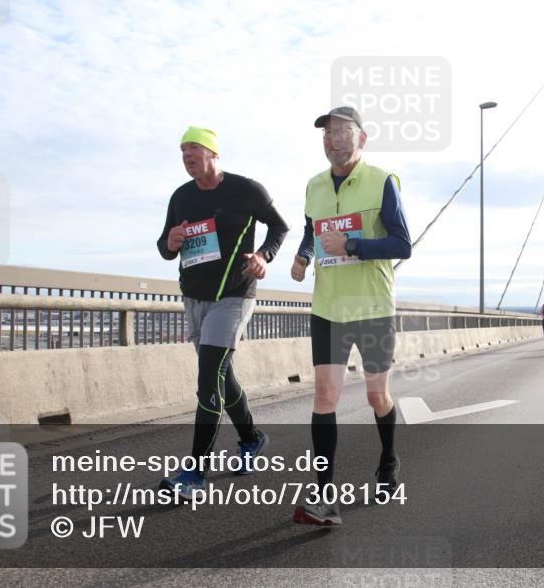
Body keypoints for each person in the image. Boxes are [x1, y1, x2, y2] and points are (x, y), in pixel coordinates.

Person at [290, 106, 412, 527]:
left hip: (373, 308)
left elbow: (402, 244)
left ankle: (388, 462)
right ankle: (325, 496)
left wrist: (355, 247)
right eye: (326, 133)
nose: (332, 139)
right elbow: (312, 229)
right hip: (328, 307)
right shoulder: (314, 186)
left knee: (378, 396)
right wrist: (304, 256)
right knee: (325, 396)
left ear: (362, 138)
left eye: (342, 132)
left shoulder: (382, 182)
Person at [157, 125, 289, 499]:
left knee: (207, 378)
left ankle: (195, 474)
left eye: (193, 149)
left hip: (234, 295)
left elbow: (279, 226)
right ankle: (252, 438)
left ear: (214, 154)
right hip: (194, 297)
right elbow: (166, 247)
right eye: (182, 151)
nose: (186, 156)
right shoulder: (181, 197)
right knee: (221, 373)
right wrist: (170, 242)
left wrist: (264, 256)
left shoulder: (246, 189)